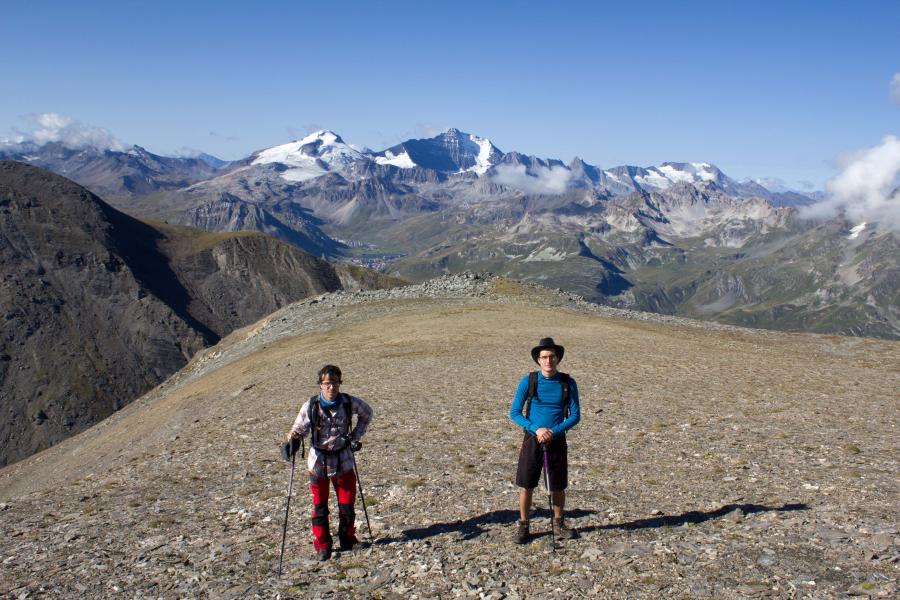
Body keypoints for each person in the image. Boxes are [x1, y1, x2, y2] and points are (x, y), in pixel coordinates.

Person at [283, 364, 373, 561]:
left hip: (344, 460)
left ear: (340, 383)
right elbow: (299, 427)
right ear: (320, 385)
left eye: (335, 383)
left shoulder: (349, 402)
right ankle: (323, 545)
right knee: (320, 506)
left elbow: (367, 413)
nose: (331, 387)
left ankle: (347, 539)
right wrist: (293, 440)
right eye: (327, 383)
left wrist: (355, 435)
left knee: (347, 504)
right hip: (318, 463)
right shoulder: (311, 406)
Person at [509, 337, 581, 544]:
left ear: (557, 358)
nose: (548, 361)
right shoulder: (528, 381)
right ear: (538, 360)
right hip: (532, 439)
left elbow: (575, 415)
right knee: (526, 484)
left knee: (557, 485)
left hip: (556, 440)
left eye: (552, 357)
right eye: (544, 357)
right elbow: (515, 412)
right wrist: (536, 429)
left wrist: (553, 431)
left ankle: (559, 524)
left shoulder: (568, 383)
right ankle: (524, 526)